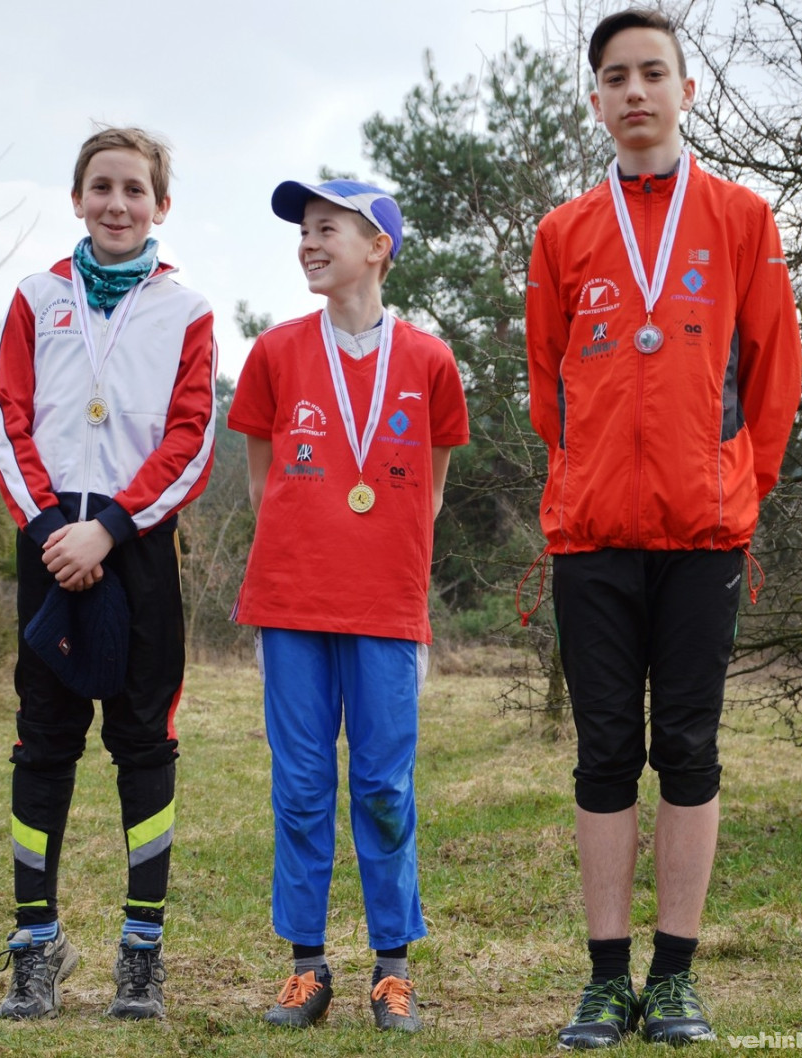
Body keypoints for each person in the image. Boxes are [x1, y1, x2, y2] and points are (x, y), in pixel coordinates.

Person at [523, 8, 802, 1048]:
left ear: (687, 91)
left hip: (706, 533)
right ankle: (606, 980)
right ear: (596, 99)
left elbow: (774, 376)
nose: (635, 91)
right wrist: (584, 479)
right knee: (604, 751)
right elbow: (548, 387)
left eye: (653, 72)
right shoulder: (562, 233)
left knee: (688, 746)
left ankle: (676, 975)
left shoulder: (742, 218)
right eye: (616, 77)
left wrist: (735, 488)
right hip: (592, 537)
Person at [0, 126, 217, 1021]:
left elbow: (191, 439)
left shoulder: (187, 310)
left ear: (162, 205)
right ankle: (35, 944)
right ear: (77, 197)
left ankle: (141, 952)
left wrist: (110, 529)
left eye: (135, 190)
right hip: (49, 542)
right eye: (102, 187)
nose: (117, 204)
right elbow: (8, 418)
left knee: (144, 744)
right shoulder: (35, 296)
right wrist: (55, 531)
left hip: (137, 546)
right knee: (44, 740)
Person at [228, 179, 469, 1032]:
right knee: (300, 786)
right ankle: (307, 968)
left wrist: (371, 550)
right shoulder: (274, 352)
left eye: (326, 228)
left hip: (386, 610)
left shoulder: (431, 361)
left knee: (382, 788)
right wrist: (313, 542)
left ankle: (392, 970)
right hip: (292, 601)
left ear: (377, 247)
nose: (308, 242)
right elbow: (262, 484)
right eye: (304, 230)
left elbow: (431, 491)